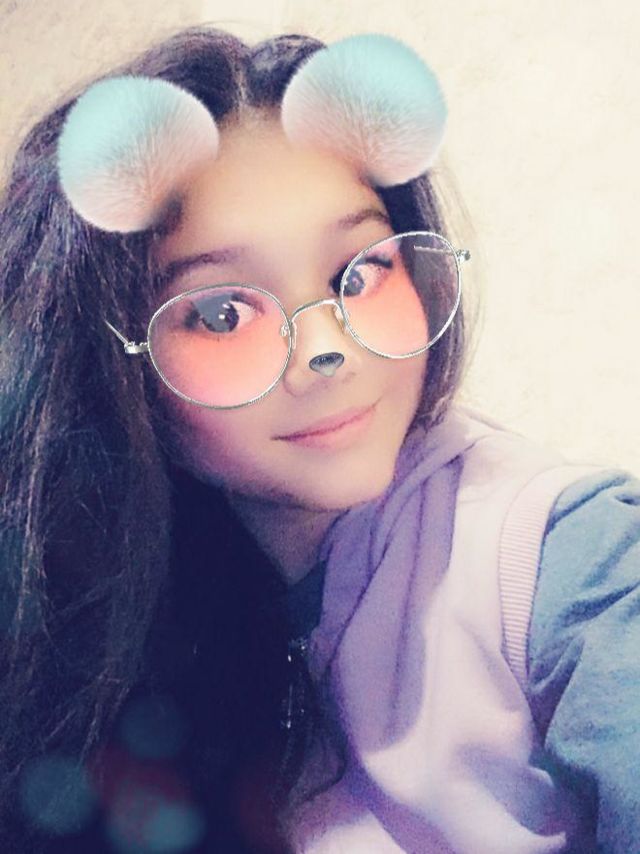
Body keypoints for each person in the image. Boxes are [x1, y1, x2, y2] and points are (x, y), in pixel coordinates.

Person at [0, 23, 638, 854]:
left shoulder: (566, 558)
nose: (328, 350)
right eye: (221, 312)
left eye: (359, 272)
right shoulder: (94, 608)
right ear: (105, 360)